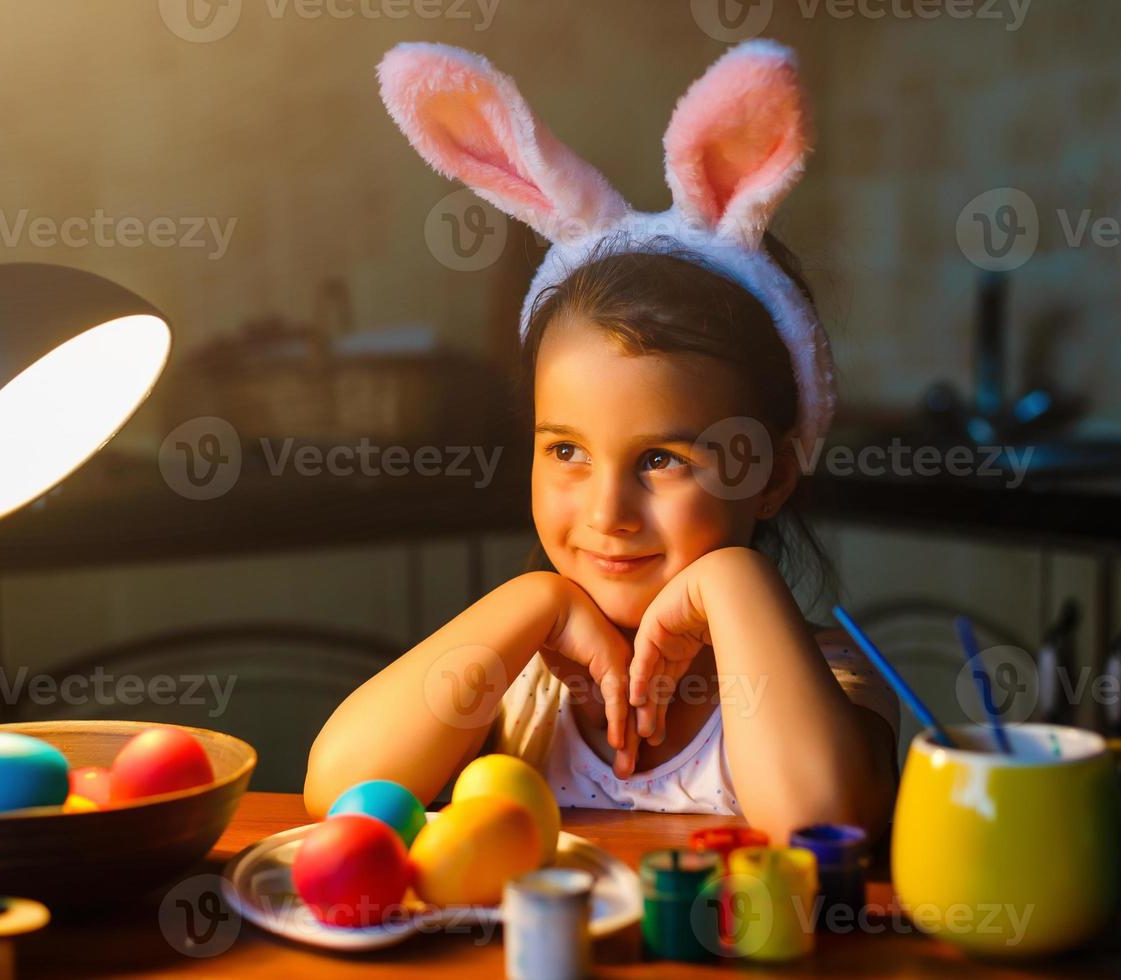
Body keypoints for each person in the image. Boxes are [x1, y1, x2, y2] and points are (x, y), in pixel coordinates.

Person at [306, 40, 899, 843]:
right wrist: (531, 600)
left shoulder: (823, 674)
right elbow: (337, 790)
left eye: (662, 459)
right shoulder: (519, 676)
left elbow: (817, 822)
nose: (607, 511)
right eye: (566, 452)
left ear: (771, 475)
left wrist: (731, 581)